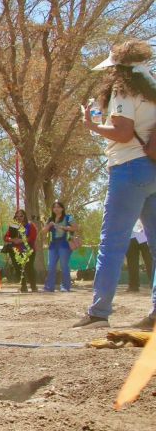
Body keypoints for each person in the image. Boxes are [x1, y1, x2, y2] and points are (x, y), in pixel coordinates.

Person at [74, 39, 156, 329]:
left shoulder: (124, 90)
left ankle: (99, 312)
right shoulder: (152, 87)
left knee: (112, 243)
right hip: (153, 168)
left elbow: (122, 132)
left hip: (128, 168)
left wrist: (93, 125)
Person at [43, 201, 78, 294]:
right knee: (51, 266)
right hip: (53, 244)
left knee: (64, 265)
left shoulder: (68, 218)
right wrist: (49, 225)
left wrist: (65, 228)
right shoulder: (51, 218)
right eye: (54, 207)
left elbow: (75, 227)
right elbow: (43, 231)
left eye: (58, 207)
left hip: (64, 243)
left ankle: (65, 287)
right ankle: (49, 287)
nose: (56, 209)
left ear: (62, 208)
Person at [3, 209, 38, 292]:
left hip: (28, 250)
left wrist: (22, 240)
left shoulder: (30, 225)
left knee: (29, 268)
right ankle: (23, 286)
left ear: (24, 216)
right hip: (16, 251)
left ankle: (33, 286)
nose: (19, 218)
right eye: (17, 216)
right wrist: (13, 239)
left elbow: (33, 237)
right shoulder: (13, 226)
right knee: (18, 269)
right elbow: (6, 237)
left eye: (21, 216)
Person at [126, 220, 153, 293]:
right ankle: (133, 285)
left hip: (141, 234)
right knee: (133, 262)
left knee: (149, 260)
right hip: (131, 235)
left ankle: (134, 285)